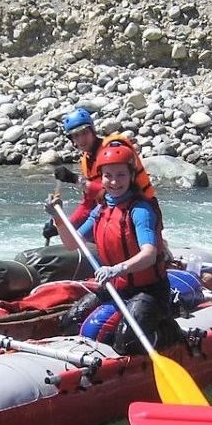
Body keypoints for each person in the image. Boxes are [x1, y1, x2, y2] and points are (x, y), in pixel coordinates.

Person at [46, 144, 178, 355]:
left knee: (128, 342)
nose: (114, 182)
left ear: (131, 175)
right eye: (108, 176)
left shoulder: (140, 210)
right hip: (116, 287)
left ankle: (171, 331)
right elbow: (73, 244)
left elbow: (149, 254)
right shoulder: (101, 208)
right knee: (69, 322)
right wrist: (58, 219)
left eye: (121, 175)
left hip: (149, 290)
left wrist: (117, 269)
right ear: (101, 177)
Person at [41, 107, 157, 241]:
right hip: (113, 212)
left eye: (84, 133)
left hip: (139, 209)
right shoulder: (86, 160)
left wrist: (75, 179)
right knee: (79, 236)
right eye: (76, 135)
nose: (81, 139)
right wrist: (61, 226)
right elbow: (88, 204)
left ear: (92, 131)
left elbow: (116, 188)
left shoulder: (114, 148)